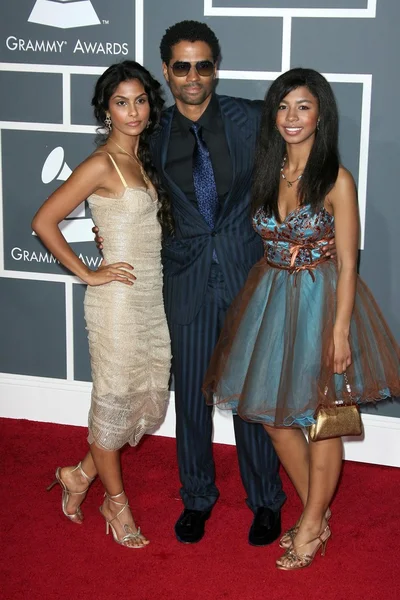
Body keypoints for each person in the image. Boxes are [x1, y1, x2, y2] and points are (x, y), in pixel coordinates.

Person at [203, 68, 400, 569]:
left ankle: (312, 524)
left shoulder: (336, 178)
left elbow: (351, 262)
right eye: (283, 107)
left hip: (321, 300)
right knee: (272, 419)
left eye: (303, 107)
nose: (292, 117)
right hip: (269, 297)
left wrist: (339, 331)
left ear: (321, 115)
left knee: (322, 422)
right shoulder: (269, 171)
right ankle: (318, 508)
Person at [32, 61, 171, 548]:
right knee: (113, 406)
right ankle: (116, 504)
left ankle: (77, 475)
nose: (133, 111)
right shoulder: (101, 162)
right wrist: (90, 272)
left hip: (149, 299)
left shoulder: (139, 161)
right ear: (106, 110)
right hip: (115, 304)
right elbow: (44, 220)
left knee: (144, 403)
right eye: (121, 102)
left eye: (140, 100)